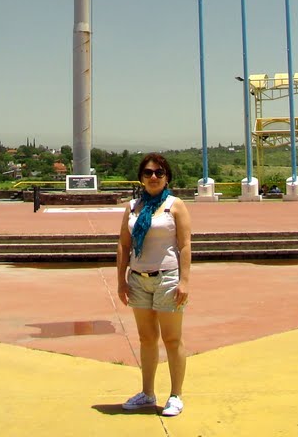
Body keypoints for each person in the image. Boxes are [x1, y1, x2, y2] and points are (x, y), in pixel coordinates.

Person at [117, 153, 192, 418]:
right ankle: (147, 392)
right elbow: (124, 245)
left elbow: (184, 245)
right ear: (140, 177)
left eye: (159, 173)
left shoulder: (176, 206)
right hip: (138, 279)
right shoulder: (132, 207)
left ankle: (175, 395)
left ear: (167, 177)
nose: (153, 177)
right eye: (148, 173)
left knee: (172, 339)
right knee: (146, 338)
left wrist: (184, 281)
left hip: (168, 279)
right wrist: (121, 281)